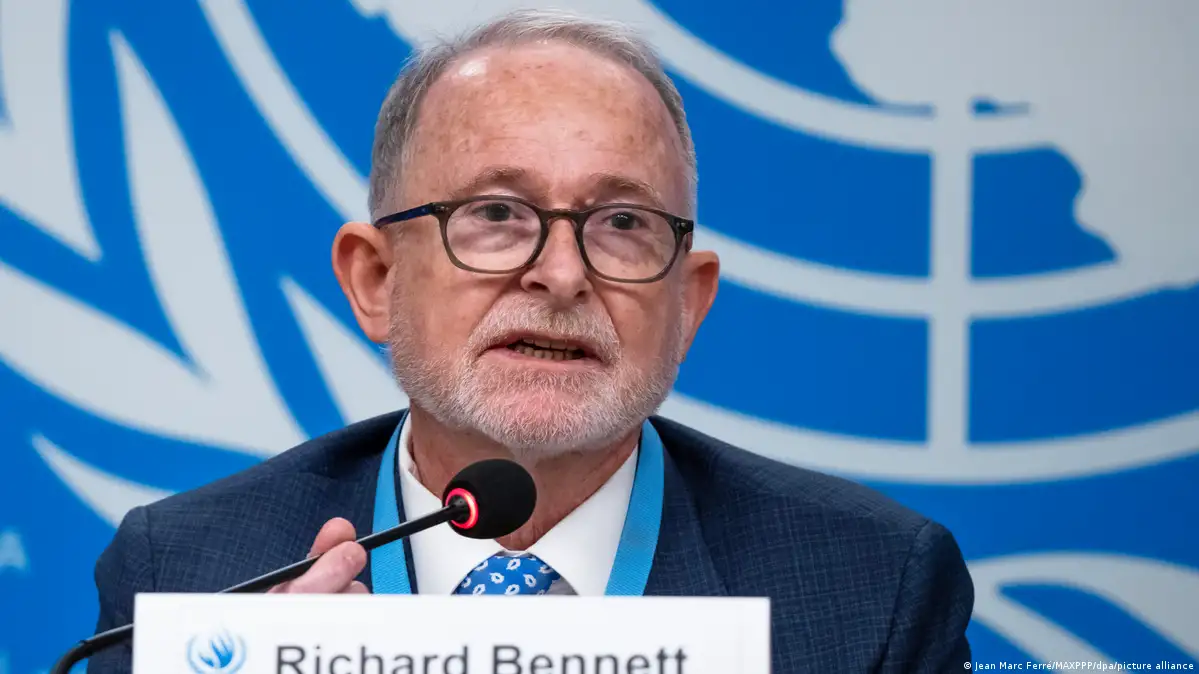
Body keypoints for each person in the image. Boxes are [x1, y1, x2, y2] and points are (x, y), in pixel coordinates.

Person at [88, 9, 974, 673]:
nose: (560, 274)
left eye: (621, 223)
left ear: (688, 303)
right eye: (495, 214)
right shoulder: (187, 573)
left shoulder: (871, 589)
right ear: (376, 280)